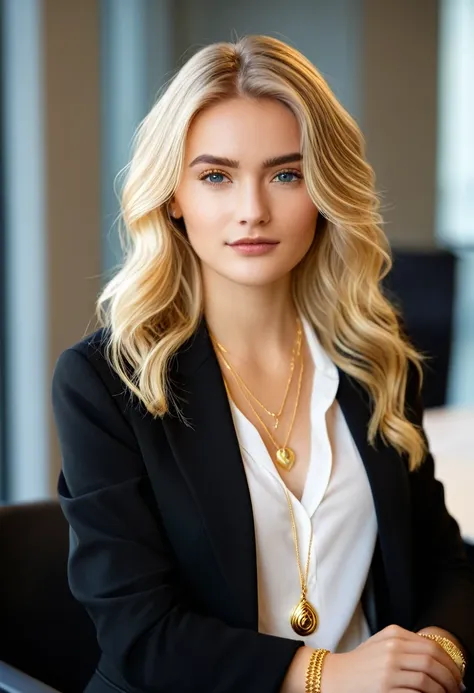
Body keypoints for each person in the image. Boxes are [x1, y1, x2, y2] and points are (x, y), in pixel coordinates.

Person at [52, 35, 473, 693]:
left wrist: (436, 652)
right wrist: (325, 674)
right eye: (216, 175)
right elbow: (141, 633)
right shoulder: (106, 384)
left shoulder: (374, 361)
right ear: (172, 195)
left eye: (287, 173)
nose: (253, 209)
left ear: (327, 188)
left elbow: (447, 560)